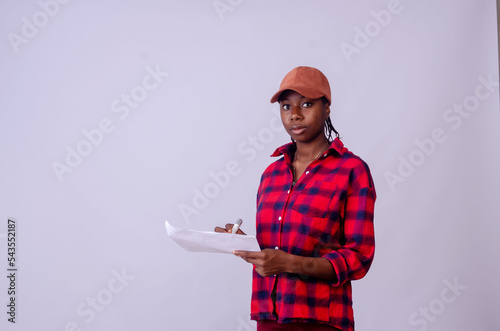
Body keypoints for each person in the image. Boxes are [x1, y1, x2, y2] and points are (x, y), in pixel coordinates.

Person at [215, 66, 376, 331]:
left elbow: (359, 258)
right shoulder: (271, 174)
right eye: (286, 106)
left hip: (321, 320)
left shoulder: (351, 170)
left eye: (307, 104)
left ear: (326, 109)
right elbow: (273, 248)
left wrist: (289, 263)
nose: (295, 115)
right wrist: (243, 244)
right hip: (269, 318)